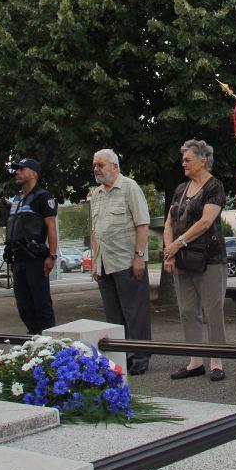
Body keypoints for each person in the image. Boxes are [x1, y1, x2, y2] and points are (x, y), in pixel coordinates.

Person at [162, 139, 228, 382]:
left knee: (213, 311)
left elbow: (205, 222)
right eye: (183, 160)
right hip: (182, 259)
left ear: (203, 160)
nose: (183, 163)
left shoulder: (215, 186)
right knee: (188, 311)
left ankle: (217, 361)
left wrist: (178, 243)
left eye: (187, 159)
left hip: (210, 258)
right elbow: (169, 222)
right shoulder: (180, 189)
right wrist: (169, 250)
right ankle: (195, 361)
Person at [89, 149, 152, 375]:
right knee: (113, 316)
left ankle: (140, 356)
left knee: (135, 313)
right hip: (105, 264)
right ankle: (120, 356)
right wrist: (95, 262)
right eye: (95, 165)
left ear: (115, 166)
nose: (96, 169)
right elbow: (96, 231)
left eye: (101, 165)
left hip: (126, 262)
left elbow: (142, 224)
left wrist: (139, 257)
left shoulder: (129, 188)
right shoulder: (96, 195)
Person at [4, 158, 58, 335]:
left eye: (21, 169)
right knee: (23, 305)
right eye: (16, 169)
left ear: (34, 173)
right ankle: (34, 336)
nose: (17, 172)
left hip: (35, 259)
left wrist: (52, 255)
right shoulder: (18, 199)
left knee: (41, 303)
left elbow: (51, 226)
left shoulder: (43, 197)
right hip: (18, 259)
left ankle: (49, 343)